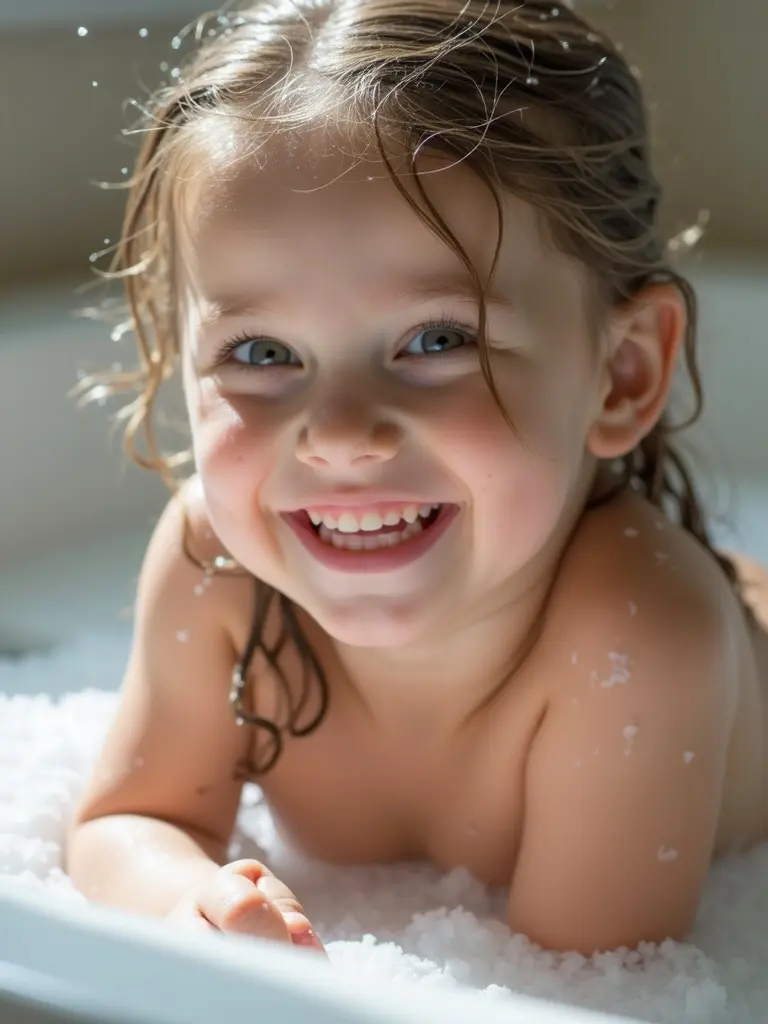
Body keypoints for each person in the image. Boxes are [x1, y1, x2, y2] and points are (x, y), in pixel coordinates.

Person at [65, 0, 768, 958]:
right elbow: (124, 826)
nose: (342, 436)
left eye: (438, 339)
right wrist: (191, 905)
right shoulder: (213, 566)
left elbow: (574, 993)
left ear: (624, 372)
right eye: (262, 350)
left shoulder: (637, 636)